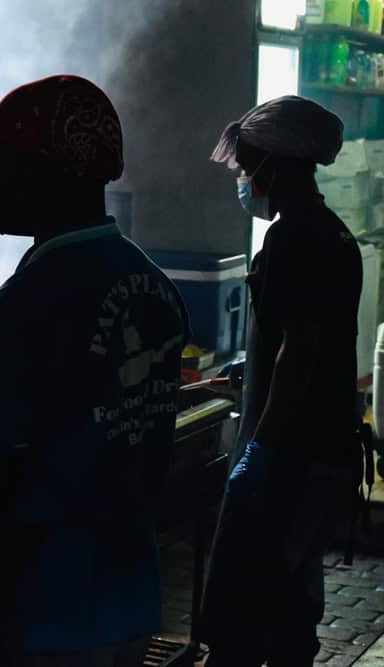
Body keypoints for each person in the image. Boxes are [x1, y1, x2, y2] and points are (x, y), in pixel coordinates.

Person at [0, 75, 188, 667]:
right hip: (127, 597)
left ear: (56, 170)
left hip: (37, 610)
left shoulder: (16, 313)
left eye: (1, 159)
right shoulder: (154, 286)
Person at [200, 96, 363, 666]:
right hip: (326, 448)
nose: (245, 179)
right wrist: (253, 372)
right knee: (291, 595)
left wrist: (262, 449)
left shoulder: (294, 239)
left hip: (292, 454)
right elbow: (315, 341)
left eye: (248, 168)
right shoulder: (334, 234)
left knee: (241, 604)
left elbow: (300, 351)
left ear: (279, 164)